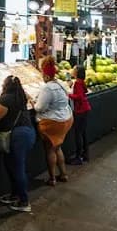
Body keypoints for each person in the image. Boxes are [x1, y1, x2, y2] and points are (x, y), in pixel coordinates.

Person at [0, 75, 35, 212]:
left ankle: (24, 202)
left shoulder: (6, 98)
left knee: (18, 168)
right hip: (28, 132)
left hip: (18, 136)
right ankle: (15, 195)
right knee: (12, 166)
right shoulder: (21, 96)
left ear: (5, 86)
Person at [35, 56, 74, 186]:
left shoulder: (47, 88)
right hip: (66, 119)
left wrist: (33, 103)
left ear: (45, 75)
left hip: (53, 123)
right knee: (57, 147)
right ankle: (64, 174)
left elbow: (40, 107)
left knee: (50, 149)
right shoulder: (61, 84)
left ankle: (52, 179)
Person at [67, 66, 91, 165]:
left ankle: (78, 157)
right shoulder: (80, 82)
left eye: (74, 69)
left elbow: (79, 97)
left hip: (80, 110)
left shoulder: (77, 82)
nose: (72, 70)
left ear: (76, 72)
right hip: (85, 109)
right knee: (83, 133)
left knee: (78, 134)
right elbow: (84, 92)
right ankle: (85, 154)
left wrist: (68, 95)